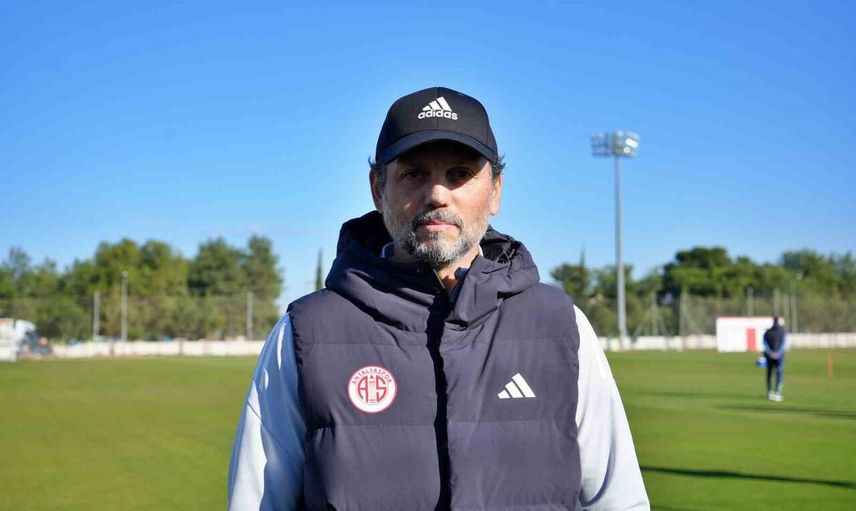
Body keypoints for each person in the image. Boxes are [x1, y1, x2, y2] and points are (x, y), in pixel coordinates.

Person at [228, 86, 650, 510]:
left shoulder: (560, 326)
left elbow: (619, 501)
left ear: (495, 191)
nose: (437, 194)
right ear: (378, 190)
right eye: (414, 174)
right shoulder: (306, 333)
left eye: (459, 174)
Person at [763, 316, 787, 401]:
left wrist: (770, 353)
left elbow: (765, 344)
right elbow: (783, 344)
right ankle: (777, 392)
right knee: (779, 373)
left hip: (769, 356)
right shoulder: (782, 332)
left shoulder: (767, 332)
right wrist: (777, 354)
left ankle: (770, 392)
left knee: (769, 374)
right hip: (779, 357)